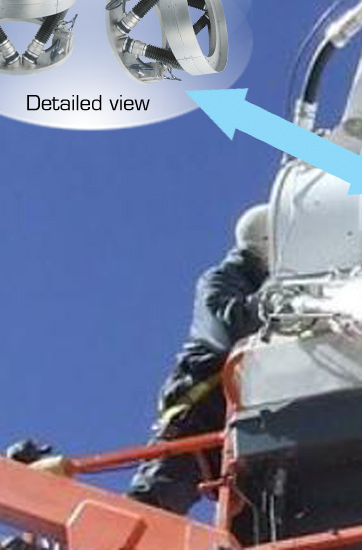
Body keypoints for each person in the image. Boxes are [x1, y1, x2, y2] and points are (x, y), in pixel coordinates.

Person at [128, 204, 270, 512]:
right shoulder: (223, 278)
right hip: (199, 411)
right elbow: (227, 331)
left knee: (253, 518)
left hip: (239, 427)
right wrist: (274, 296)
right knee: (156, 502)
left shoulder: (255, 285)